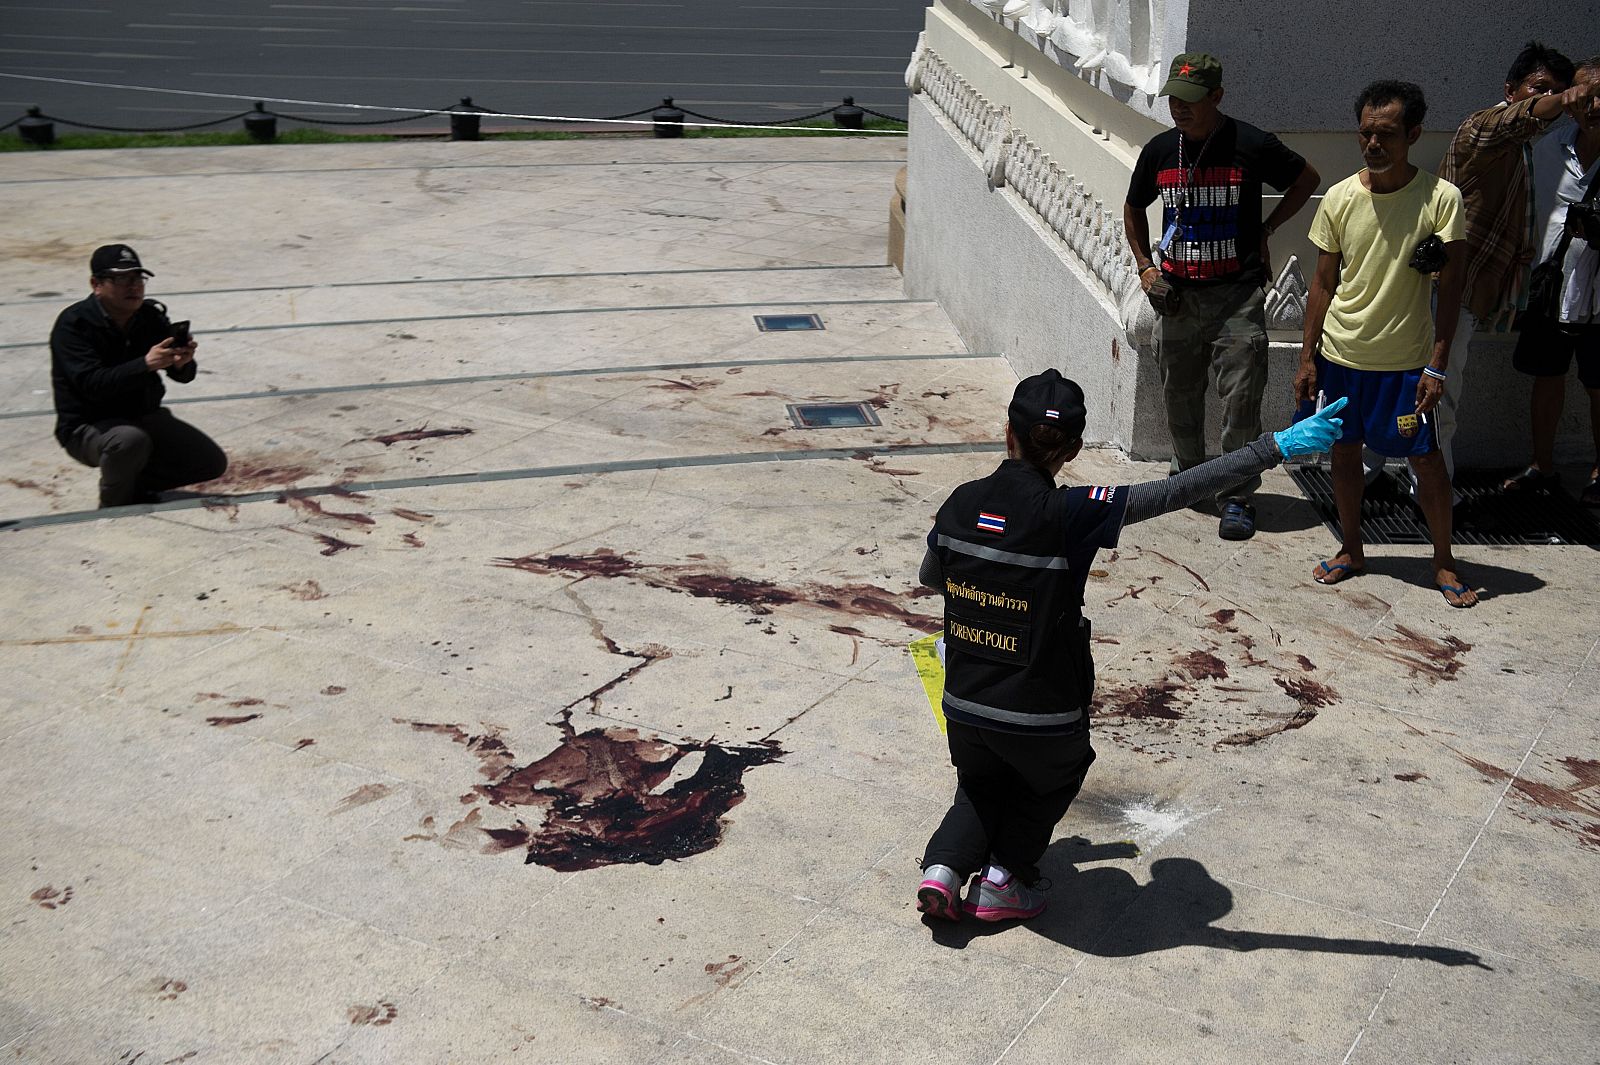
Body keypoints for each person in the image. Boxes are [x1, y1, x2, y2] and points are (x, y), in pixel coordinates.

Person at [914, 368, 1346, 922]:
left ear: (1007, 434)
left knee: (978, 782)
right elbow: (1178, 490)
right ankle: (1002, 880)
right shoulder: (1073, 512)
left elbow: (933, 577)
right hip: (1041, 714)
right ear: (1070, 451)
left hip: (966, 702)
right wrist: (1275, 446)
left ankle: (943, 871)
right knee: (1052, 777)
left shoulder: (958, 503)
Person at [1124, 52, 1321, 542]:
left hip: (1236, 296)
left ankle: (1236, 494)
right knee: (1179, 393)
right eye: (1173, 98)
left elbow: (1307, 180)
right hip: (1177, 296)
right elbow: (1133, 206)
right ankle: (1187, 479)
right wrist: (1145, 267)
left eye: (1191, 100)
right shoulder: (1160, 150)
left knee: (1242, 399)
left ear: (1216, 97)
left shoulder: (1250, 144)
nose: (1179, 108)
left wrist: (1268, 229)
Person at [1295, 82, 1474, 607]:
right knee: (1344, 455)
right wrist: (1308, 359)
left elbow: (1452, 288)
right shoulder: (1339, 198)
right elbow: (1323, 285)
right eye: (1366, 133)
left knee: (1426, 461)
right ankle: (1352, 549)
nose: (1373, 144)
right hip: (1343, 357)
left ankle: (1443, 560)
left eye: (1387, 134)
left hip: (1406, 363)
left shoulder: (1441, 199)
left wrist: (1437, 366)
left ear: (1413, 134)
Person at [1381, 42, 1586, 497]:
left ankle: (1372, 474)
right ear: (1510, 90)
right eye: (1537, 89)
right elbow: (1518, 118)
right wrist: (1559, 100)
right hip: (1443, 288)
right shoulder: (1485, 127)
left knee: (1407, 384)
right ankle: (1433, 492)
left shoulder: (1529, 150)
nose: (1546, 101)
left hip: (1464, 290)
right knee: (1437, 391)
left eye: (1556, 92)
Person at [50, 244, 227, 508]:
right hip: (88, 425)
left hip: (142, 415)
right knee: (129, 441)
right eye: (121, 279)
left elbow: (183, 376)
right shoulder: (74, 325)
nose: (133, 287)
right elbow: (91, 385)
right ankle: (113, 505)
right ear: (96, 284)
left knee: (210, 461)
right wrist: (144, 364)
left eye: (138, 279)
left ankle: (132, 483)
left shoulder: (148, 316)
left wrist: (182, 363)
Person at [1507, 56, 1600, 506]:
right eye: (1584, 96)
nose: (1593, 105)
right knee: (1546, 376)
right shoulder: (1550, 148)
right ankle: (1541, 465)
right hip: (1553, 286)